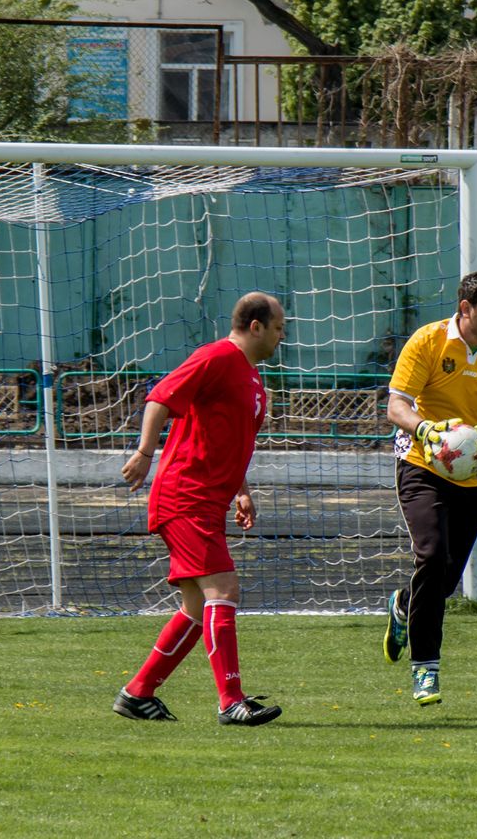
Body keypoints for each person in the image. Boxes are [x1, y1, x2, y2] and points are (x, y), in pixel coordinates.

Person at [114, 292, 286, 726]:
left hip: (207, 499)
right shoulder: (215, 357)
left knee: (196, 606)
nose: (283, 335)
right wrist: (145, 452)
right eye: (279, 326)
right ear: (256, 326)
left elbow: (229, 440)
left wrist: (241, 490)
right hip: (185, 495)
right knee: (223, 591)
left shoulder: (252, 378)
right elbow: (160, 397)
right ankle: (231, 701)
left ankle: (137, 693)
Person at [382, 271, 477, 705]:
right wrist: (427, 431)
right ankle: (425, 670)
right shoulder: (428, 341)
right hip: (420, 463)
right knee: (431, 556)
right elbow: (397, 405)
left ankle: (403, 605)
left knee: (444, 579)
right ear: (466, 308)